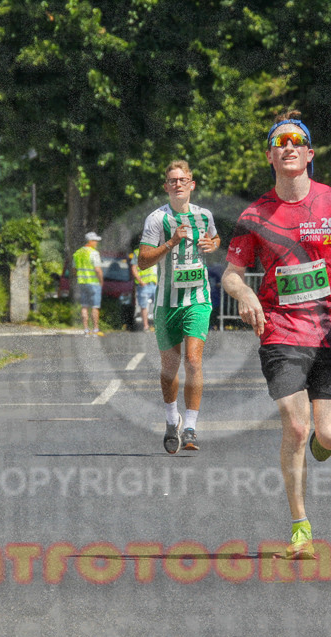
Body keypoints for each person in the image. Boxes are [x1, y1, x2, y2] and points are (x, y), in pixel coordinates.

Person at [221, 111, 331, 559]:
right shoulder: (256, 215)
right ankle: (300, 528)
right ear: (271, 156)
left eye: (298, 140)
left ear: (309, 154)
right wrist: (245, 296)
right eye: (280, 141)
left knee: (330, 436)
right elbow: (232, 275)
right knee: (295, 424)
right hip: (281, 330)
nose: (289, 146)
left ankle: (319, 441)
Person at [137, 161, 220, 453]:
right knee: (169, 368)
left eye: (183, 179)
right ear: (166, 187)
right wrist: (171, 242)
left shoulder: (204, 215)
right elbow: (143, 260)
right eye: (172, 180)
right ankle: (172, 419)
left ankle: (191, 429)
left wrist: (213, 244)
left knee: (194, 361)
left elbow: (214, 236)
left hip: (198, 299)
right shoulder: (156, 220)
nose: (178, 184)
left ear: (192, 184)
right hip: (166, 304)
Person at [73, 232, 105, 336]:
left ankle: (86, 330)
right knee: (95, 306)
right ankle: (95, 329)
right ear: (90, 241)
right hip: (94, 283)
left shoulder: (77, 253)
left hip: (82, 283)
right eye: (95, 241)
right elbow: (97, 269)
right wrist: (101, 281)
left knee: (84, 306)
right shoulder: (94, 253)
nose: (96, 243)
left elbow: (74, 269)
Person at [129, 245, 157, 332]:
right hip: (144, 284)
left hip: (155, 283)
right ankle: (146, 326)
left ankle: (157, 326)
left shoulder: (154, 250)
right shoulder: (137, 252)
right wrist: (140, 281)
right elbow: (134, 268)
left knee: (158, 306)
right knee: (144, 306)